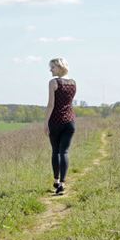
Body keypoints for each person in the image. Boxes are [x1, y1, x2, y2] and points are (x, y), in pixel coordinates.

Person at [44, 58, 76, 195]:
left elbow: (51, 105)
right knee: (64, 152)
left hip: (56, 121)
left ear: (59, 67)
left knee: (56, 151)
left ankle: (56, 181)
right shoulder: (73, 83)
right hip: (70, 121)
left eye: (52, 67)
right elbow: (68, 102)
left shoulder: (53, 82)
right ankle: (62, 184)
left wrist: (45, 122)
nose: (50, 70)